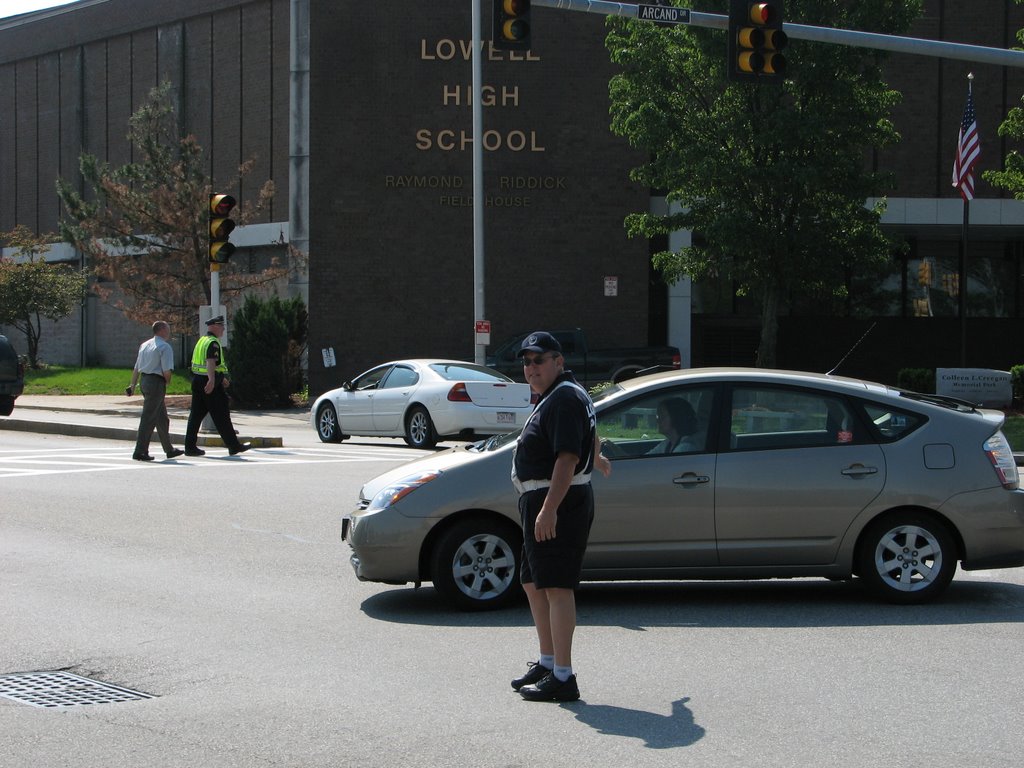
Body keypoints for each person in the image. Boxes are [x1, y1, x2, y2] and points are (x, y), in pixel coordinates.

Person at [510, 331, 611, 703]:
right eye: (526, 361)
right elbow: (587, 433)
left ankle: (563, 676)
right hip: (541, 498)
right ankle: (548, 661)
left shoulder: (564, 398)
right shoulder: (563, 394)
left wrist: (549, 508)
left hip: (556, 501)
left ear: (558, 362)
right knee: (533, 582)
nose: (531, 367)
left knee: (556, 587)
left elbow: (566, 458)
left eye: (539, 360)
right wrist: (596, 456)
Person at [184, 315, 251, 457]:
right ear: (214, 326)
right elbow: (210, 362)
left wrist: (221, 379)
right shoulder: (213, 343)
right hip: (209, 383)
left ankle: (189, 447)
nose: (223, 329)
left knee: (195, 416)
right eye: (221, 326)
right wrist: (212, 380)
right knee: (222, 415)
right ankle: (233, 446)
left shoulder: (202, 340)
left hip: (198, 381)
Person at [127, 320, 184, 461]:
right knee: (148, 418)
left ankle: (169, 449)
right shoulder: (164, 347)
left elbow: (136, 367)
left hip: (145, 380)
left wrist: (132, 385)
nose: (169, 331)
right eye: (168, 329)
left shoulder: (145, 345)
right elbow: (166, 370)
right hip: (156, 382)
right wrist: (167, 382)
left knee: (162, 418)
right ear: (162, 330)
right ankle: (140, 451)